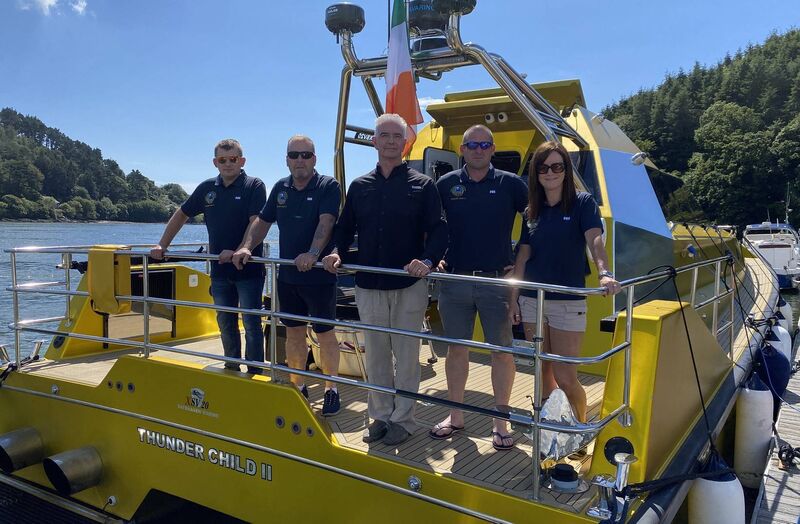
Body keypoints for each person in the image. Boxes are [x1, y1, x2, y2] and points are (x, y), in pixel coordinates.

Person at [322, 113, 447, 446]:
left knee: (406, 355)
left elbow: (438, 230)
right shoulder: (360, 186)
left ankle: (403, 419)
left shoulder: (423, 185)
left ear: (405, 143)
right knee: (376, 354)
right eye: (385, 136)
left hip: (408, 286)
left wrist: (428, 260)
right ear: (375, 141)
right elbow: (345, 230)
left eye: (397, 136)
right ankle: (379, 415)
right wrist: (336, 253)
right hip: (369, 284)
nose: (391, 141)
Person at [429, 124, 528, 451]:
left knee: (502, 352)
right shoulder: (445, 185)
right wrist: (436, 257)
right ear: (462, 149)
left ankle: (501, 421)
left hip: (496, 281)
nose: (478, 150)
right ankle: (455, 415)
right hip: (455, 280)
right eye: (471, 144)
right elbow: (430, 226)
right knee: (456, 350)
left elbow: (535, 222)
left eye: (484, 145)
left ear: (493, 149)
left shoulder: (511, 184)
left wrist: (520, 258)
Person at [509, 140, 620, 424]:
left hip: (568, 301)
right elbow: (522, 257)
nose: (550, 172)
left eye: (557, 166)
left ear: (566, 170)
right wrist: (513, 301)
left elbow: (595, 240)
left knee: (565, 374)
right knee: (543, 367)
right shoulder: (531, 210)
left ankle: (579, 427)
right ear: (536, 173)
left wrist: (604, 272)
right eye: (543, 167)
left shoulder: (582, 203)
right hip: (532, 298)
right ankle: (552, 418)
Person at [232, 135, 343, 415]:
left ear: (314, 159)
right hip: (288, 277)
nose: (300, 160)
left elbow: (326, 221)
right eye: (294, 155)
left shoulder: (328, 185)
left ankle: (331, 388)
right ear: (287, 160)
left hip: (319, 276)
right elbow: (263, 222)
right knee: (293, 335)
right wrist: (246, 246)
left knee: (326, 334)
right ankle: (299, 385)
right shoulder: (280, 187)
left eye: (306, 155)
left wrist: (314, 253)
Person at [151, 139, 266, 374]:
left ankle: (256, 373)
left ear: (241, 161)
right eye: (222, 160)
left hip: (249, 270)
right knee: (225, 322)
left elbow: (257, 222)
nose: (227, 164)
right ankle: (232, 369)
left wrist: (240, 249)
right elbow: (181, 214)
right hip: (220, 271)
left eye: (232, 159)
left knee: (252, 323)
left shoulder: (254, 186)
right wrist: (162, 244)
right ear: (215, 162)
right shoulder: (207, 189)